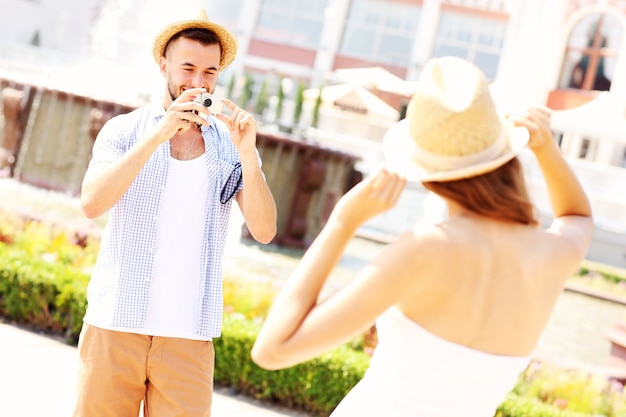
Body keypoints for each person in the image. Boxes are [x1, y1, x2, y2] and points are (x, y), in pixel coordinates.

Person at [251, 56, 593, 417]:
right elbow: (578, 215)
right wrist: (546, 149)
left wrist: (341, 224)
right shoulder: (552, 253)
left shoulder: (427, 248)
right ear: (507, 157)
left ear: (427, 176)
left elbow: (273, 350)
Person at [74, 9, 277, 417]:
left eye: (210, 72)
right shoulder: (124, 130)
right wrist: (160, 134)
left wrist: (249, 156)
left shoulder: (229, 145)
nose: (198, 83)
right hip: (115, 323)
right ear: (162, 63)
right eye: (187, 68)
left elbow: (265, 230)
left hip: (188, 336)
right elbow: (92, 203)